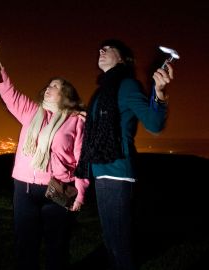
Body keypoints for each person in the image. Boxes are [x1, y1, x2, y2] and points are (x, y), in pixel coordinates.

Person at [74, 39, 175, 270]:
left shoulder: (128, 85)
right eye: (100, 48)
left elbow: (154, 123)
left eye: (108, 48)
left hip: (118, 172)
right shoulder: (102, 91)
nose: (101, 50)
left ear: (122, 59)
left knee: (120, 245)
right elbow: (107, 123)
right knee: (110, 243)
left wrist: (159, 92)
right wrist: (90, 117)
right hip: (101, 171)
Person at [0, 45, 89, 270]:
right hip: (24, 189)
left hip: (58, 189)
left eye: (55, 86)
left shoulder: (75, 121)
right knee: (25, 245)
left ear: (66, 95)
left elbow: (83, 160)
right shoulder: (31, 112)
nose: (48, 88)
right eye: (48, 85)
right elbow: (9, 93)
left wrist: (81, 194)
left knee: (57, 247)